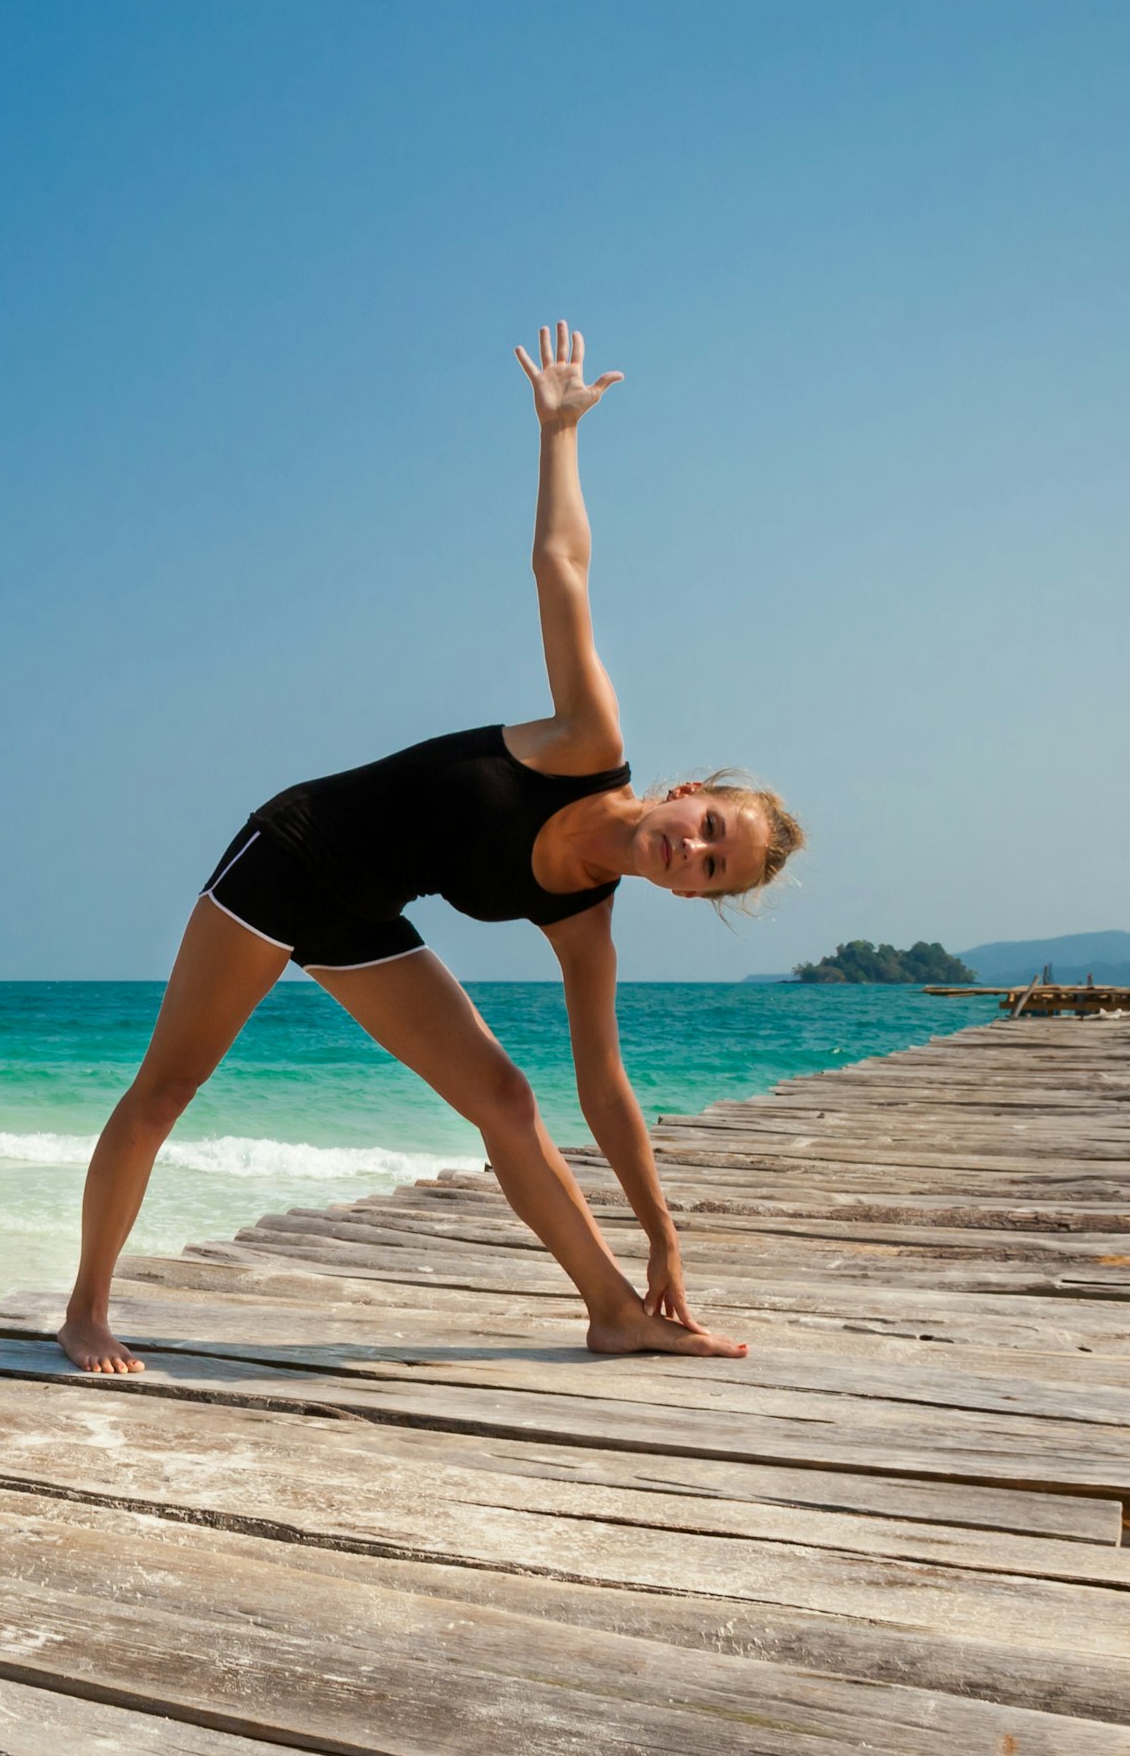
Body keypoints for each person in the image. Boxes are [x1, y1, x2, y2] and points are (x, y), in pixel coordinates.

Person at [59, 323, 804, 1374]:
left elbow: (607, 1085)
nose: (696, 854)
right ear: (686, 795)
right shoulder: (589, 744)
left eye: (715, 870)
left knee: (507, 1098)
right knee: (167, 1089)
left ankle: (612, 1310)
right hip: (287, 856)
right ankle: (86, 1308)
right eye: (711, 829)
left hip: (363, 917)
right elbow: (562, 566)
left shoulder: (587, 925)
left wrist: (664, 1232)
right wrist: (559, 435)